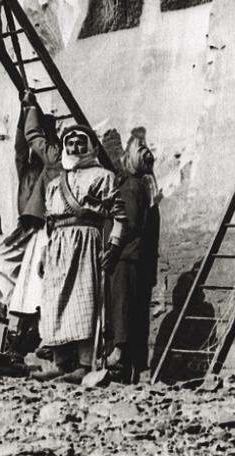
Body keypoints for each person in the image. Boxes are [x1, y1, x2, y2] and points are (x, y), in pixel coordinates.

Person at [36, 118, 124, 375]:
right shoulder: (54, 184)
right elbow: (49, 222)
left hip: (86, 243)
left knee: (83, 301)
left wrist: (114, 247)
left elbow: (119, 217)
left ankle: (84, 365)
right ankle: (60, 363)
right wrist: (44, 250)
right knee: (55, 300)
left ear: (90, 147)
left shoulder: (103, 177)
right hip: (57, 246)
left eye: (79, 143)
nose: (74, 148)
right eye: (70, 143)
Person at [0, 91, 58, 352]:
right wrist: (23, 113)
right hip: (26, 227)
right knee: (5, 264)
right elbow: (21, 146)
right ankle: (14, 326)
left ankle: (31, 336)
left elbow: (35, 140)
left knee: (35, 282)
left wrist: (32, 110)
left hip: (42, 227)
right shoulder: (27, 170)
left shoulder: (51, 168)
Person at [104, 130, 161, 382]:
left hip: (126, 258)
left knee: (121, 310)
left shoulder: (131, 185)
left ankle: (117, 361)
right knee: (134, 311)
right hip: (140, 260)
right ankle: (131, 369)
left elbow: (128, 223)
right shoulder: (146, 188)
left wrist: (112, 249)